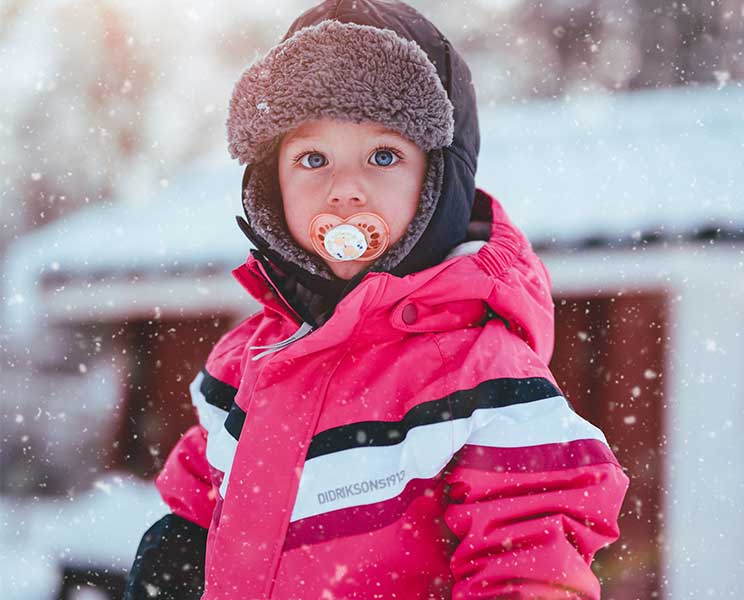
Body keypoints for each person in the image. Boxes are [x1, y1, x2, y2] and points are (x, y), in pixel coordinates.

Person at [125, 1, 630, 599]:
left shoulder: (484, 377)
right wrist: (179, 545)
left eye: (383, 156)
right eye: (313, 159)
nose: (344, 189)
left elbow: (528, 559)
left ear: (438, 182)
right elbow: (206, 487)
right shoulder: (248, 358)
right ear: (268, 182)